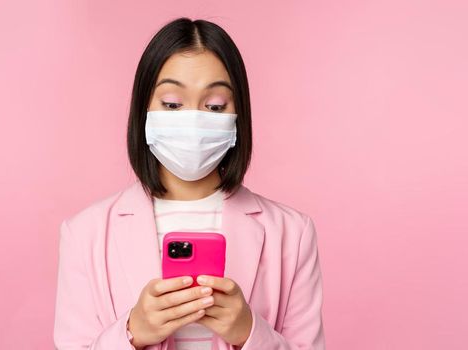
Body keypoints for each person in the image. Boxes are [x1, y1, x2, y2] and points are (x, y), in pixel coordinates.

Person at [53, 17, 325, 349]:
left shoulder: (292, 233)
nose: (193, 118)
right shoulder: (84, 233)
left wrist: (250, 332)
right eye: (171, 104)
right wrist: (132, 333)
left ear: (238, 116)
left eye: (214, 106)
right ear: (144, 111)